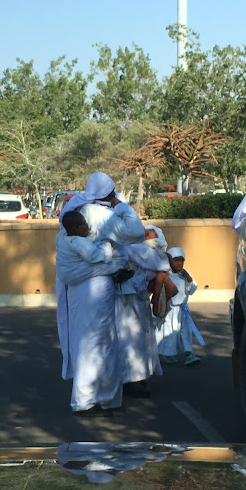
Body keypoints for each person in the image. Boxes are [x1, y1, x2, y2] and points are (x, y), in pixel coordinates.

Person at [55, 172, 145, 414]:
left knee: (80, 339)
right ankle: (104, 397)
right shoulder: (102, 215)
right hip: (97, 287)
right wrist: (121, 206)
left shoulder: (74, 210)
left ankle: (83, 398)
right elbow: (136, 232)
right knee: (101, 341)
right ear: (109, 193)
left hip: (75, 289)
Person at [114, 225, 177, 398]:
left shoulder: (149, 251)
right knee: (130, 340)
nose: (146, 232)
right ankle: (131, 380)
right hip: (128, 301)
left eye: (151, 232)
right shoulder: (134, 247)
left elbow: (163, 264)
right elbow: (162, 263)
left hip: (139, 301)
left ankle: (140, 376)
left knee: (142, 340)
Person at [154, 247, 205, 365]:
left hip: (182, 310)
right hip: (169, 311)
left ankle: (189, 355)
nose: (179, 263)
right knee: (169, 333)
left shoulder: (185, 275)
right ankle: (167, 353)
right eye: (175, 260)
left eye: (181, 261)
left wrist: (189, 279)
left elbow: (191, 290)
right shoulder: (165, 275)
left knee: (185, 332)